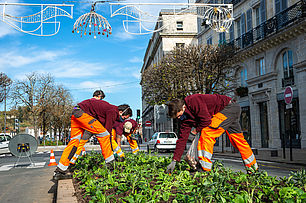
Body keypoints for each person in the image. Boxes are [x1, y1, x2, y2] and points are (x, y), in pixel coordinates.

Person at [166, 94, 258, 174]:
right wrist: (174, 160)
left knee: (207, 132)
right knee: (238, 140)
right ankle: (253, 168)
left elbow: (206, 120)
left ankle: (205, 167)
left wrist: (195, 131)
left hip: (228, 108)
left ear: (183, 107)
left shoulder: (194, 101)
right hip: (231, 110)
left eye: (179, 115)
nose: (178, 118)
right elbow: (182, 139)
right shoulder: (185, 118)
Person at [53, 98, 132, 180]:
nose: (123, 119)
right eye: (124, 117)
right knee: (104, 135)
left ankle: (60, 170)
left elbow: (98, 122)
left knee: (75, 141)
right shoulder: (113, 111)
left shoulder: (109, 108)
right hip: (82, 114)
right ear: (120, 112)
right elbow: (107, 131)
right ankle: (110, 164)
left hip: (76, 112)